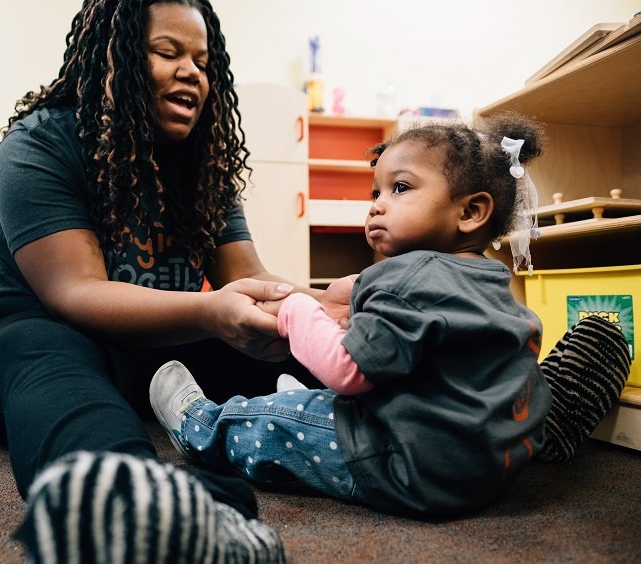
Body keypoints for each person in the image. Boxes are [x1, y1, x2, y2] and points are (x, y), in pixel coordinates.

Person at [0, 0, 346, 560]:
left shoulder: (203, 164)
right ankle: (129, 503)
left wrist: (338, 307)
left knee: (304, 339)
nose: (193, 72)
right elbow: (76, 293)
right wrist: (210, 310)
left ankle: (451, 414)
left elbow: (250, 280)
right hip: (36, 348)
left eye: (203, 62)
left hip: (160, 354)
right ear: (116, 59)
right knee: (40, 346)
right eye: (168, 52)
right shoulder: (40, 144)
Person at [149, 113, 632, 518]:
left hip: (409, 467)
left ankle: (202, 426)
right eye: (375, 192)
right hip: (485, 469)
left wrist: (297, 308)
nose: (377, 206)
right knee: (344, 395)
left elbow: (349, 371)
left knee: (278, 421)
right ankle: (315, 410)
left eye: (400, 188)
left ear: (470, 212)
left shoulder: (408, 276)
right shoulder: (491, 282)